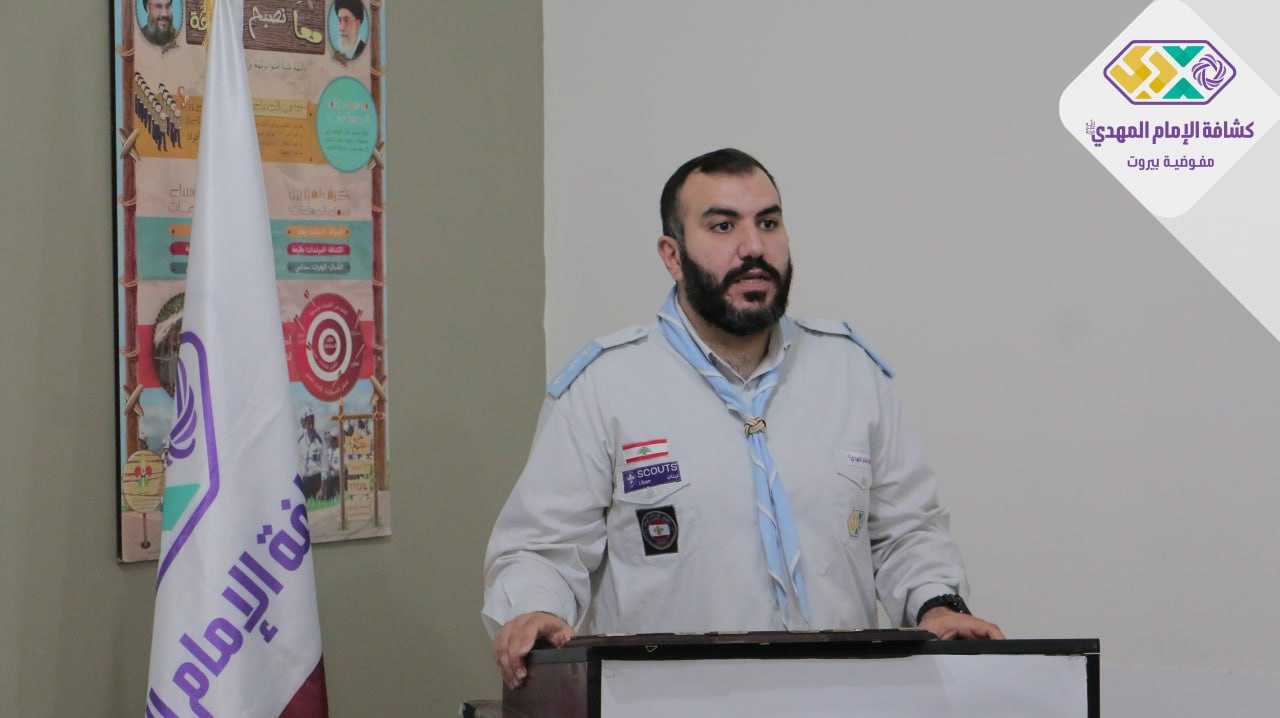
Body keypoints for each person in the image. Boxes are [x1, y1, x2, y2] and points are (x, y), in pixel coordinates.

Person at [483, 148, 1005, 689]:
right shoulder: (605, 387)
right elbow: (543, 549)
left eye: (768, 223)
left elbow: (906, 531)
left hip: (839, 698)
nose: (754, 248)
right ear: (672, 255)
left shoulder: (851, 373)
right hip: (668, 703)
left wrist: (937, 605)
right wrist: (535, 610)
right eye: (723, 226)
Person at [296, 407, 324, 500]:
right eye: (308, 419)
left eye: (312, 419)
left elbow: (325, 464)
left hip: (317, 479)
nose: (310, 422)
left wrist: (322, 488)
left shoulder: (319, 439)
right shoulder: (299, 439)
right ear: (304, 422)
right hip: (304, 479)